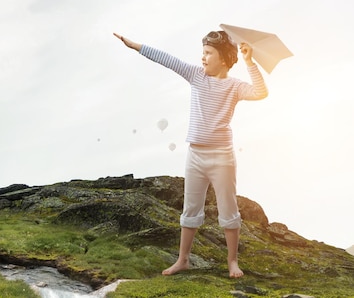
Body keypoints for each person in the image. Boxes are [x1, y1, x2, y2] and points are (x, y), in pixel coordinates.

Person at [113, 30, 268, 278]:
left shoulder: (235, 86)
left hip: (222, 159)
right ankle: (183, 260)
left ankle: (232, 262)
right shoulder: (196, 76)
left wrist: (249, 62)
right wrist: (136, 46)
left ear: (225, 59)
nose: (203, 58)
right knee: (190, 210)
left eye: (208, 53)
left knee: (229, 211)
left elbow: (261, 92)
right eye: (203, 53)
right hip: (195, 156)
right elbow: (168, 59)